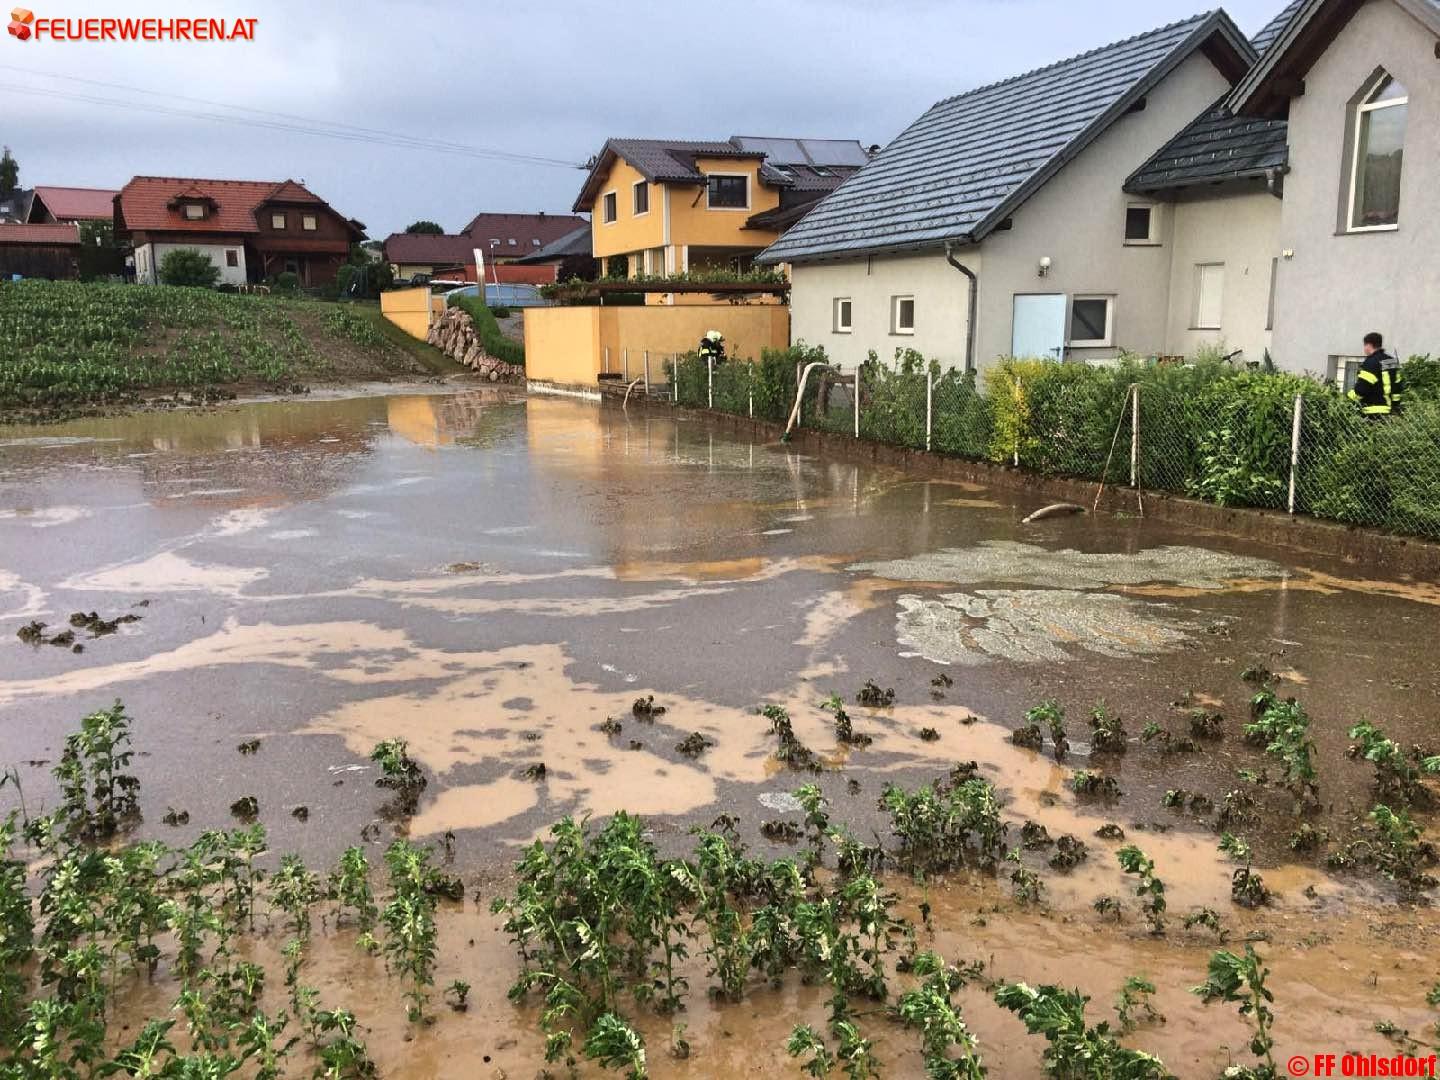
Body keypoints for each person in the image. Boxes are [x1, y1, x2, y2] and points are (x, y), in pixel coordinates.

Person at [1348, 331, 1402, 417]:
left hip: (1372, 411)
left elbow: (1362, 388)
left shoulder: (1371, 362)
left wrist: (1348, 399)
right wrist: (1395, 406)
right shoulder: (1391, 361)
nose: (1364, 348)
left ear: (1369, 345)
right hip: (1390, 411)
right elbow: (1398, 385)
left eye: (1365, 345)